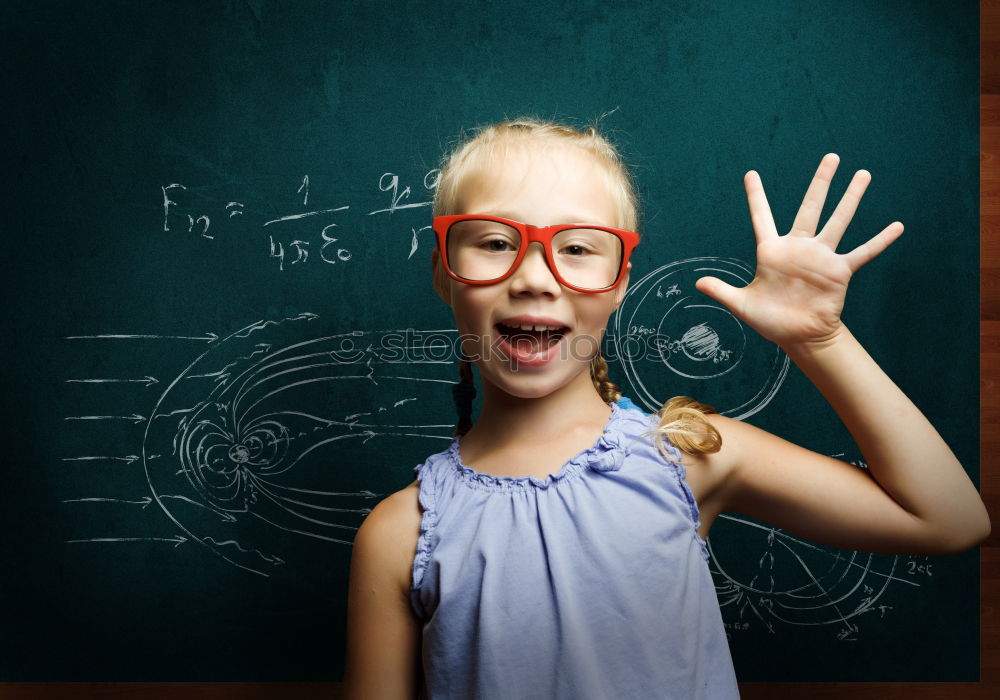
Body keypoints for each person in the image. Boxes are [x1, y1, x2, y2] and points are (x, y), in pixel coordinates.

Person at [342, 117, 991, 699]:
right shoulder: (399, 536)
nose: (535, 276)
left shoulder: (684, 452)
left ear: (620, 280)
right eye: (491, 242)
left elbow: (949, 520)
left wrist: (818, 339)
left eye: (577, 247)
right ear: (442, 272)